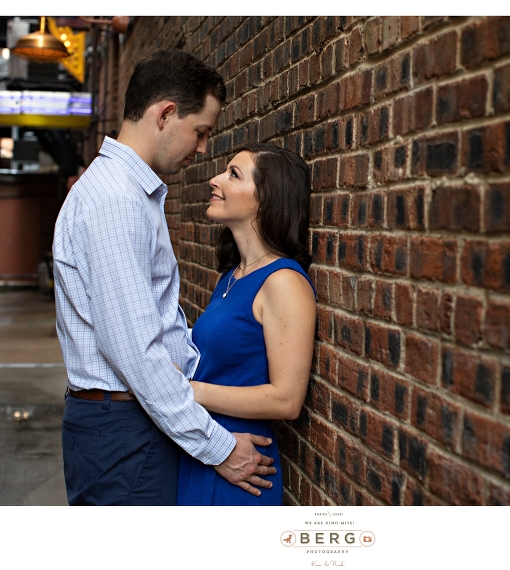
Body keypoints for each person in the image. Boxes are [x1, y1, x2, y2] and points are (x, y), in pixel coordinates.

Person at [53, 49, 275, 505]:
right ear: (165, 114)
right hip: (125, 430)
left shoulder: (125, 192)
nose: (202, 149)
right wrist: (220, 449)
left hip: (125, 424)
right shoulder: (117, 201)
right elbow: (136, 352)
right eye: (200, 132)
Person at [176, 143, 317, 505]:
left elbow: (287, 400)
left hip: (243, 464)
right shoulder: (232, 277)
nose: (215, 179)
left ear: (266, 199)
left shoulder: (283, 282)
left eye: (233, 175)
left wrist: (187, 391)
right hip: (205, 449)